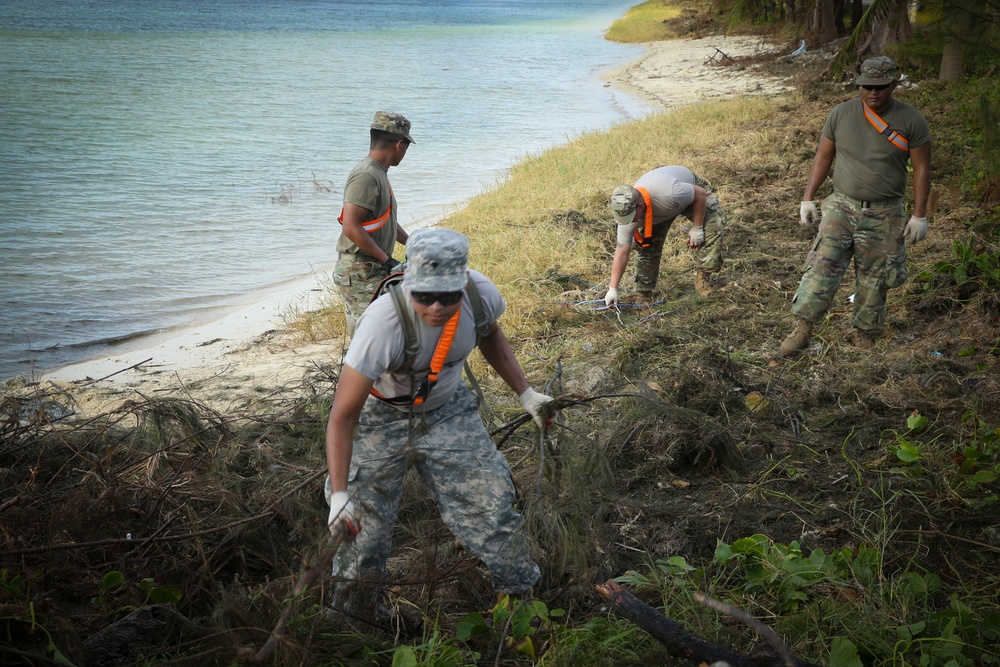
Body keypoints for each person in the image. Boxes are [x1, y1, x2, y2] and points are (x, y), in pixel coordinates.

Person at [323, 228, 555, 623]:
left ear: (461, 285)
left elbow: (490, 336)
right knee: (362, 531)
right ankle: (355, 621)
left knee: (492, 505)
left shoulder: (479, 296)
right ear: (409, 284)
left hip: (447, 411)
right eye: (424, 296)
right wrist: (340, 493)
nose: (435, 307)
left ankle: (520, 607)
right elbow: (343, 415)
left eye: (447, 296)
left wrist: (525, 393)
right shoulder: (382, 324)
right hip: (381, 419)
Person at [780, 56, 931, 356]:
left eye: (880, 87)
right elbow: (823, 157)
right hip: (841, 206)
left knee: (876, 277)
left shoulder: (911, 120)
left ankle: (865, 334)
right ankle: (802, 329)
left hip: (886, 212)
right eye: (866, 87)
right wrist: (808, 197)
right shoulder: (841, 114)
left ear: (894, 84)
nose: (873, 93)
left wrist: (919, 215)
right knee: (822, 265)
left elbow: (922, 169)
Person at [334, 111, 414, 333]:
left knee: (389, 333)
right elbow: (351, 226)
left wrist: (411, 242)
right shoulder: (367, 174)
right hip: (361, 271)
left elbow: (384, 220)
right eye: (407, 147)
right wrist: (388, 261)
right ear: (399, 144)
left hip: (372, 268)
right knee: (370, 339)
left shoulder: (379, 173)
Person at [604, 165, 727, 306]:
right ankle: (644, 292)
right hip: (661, 208)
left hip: (691, 192)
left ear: (639, 206)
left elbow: (699, 194)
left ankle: (703, 277)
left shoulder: (671, 193)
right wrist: (612, 289)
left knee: (714, 223)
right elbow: (622, 252)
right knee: (647, 245)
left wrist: (697, 227)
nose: (628, 222)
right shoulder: (626, 215)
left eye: (630, 217)